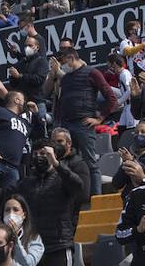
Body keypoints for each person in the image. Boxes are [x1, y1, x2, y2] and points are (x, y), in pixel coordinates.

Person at [50, 47, 117, 195]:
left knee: (91, 164)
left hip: (84, 124)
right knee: (66, 163)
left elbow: (111, 97)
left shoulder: (92, 72)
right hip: (66, 125)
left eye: (62, 62)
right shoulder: (66, 78)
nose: (61, 66)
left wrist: (100, 118)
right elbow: (60, 102)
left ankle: (96, 200)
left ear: (70, 58)